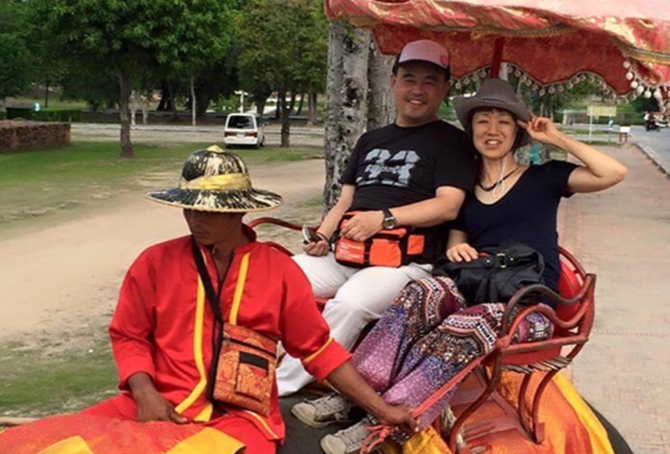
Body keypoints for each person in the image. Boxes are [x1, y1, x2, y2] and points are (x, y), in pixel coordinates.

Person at [0, 146, 417, 454]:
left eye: (212, 211)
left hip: (240, 420)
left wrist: (381, 410)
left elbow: (319, 350)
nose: (197, 219)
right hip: (150, 405)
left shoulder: (278, 271)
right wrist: (144, 392)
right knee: (35, 447)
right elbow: (128, 336)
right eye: (191, 209)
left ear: (239, 211)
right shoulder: (155, 263)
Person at [292, 79, 627, 454]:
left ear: (518, 130)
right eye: (483, 121)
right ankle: (358, 394)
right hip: (476, 288)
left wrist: (558, 139)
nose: (493, 130)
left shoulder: (544, 178)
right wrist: (459, 250)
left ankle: (387, 421)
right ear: (471, 130)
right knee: (420, 292)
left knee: (464, 325)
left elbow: (612, 173)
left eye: (503, 121)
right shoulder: (466, 191)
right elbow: (455, 243)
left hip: (529, 306)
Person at [276, 39, 476, 397]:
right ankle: (246, 364)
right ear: (393, 83)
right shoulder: (371, 139)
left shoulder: (452, 142)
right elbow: (345, 202)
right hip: (347, 253)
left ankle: (280, 385)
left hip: (406, 265)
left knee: (350, 303)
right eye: (409, 78)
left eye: (430, 81)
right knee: (274, 281)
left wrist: (383, 220)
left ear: (445, 89)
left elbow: (448, 205)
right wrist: (322, 236)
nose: (417, 90)